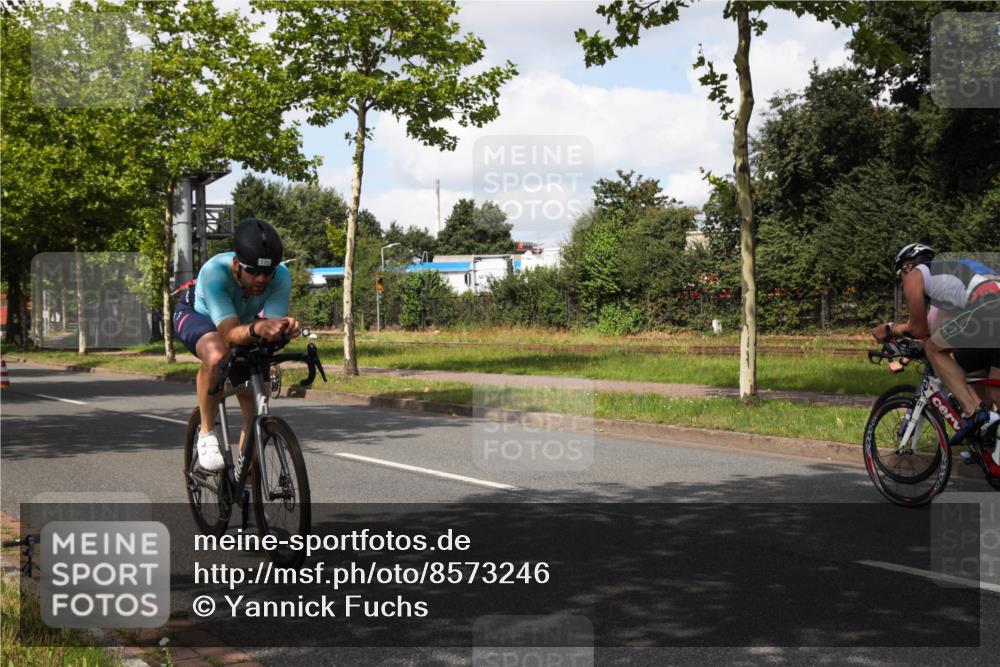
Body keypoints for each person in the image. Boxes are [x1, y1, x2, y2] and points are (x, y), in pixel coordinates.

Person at [172, 219, 300, 471]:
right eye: (253, 271)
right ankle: (207, 434)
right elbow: (229, 334)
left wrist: (284, 331)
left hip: (242, 323)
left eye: (268, 272)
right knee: (217, 354)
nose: (261, 278)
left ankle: (246, 473)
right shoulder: (214, 271)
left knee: (257, 393)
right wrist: (258, 327)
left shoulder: (281, 276)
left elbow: (268, 332)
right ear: (235, 265)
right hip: (199, 316)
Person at [872, 244, 1000, 459]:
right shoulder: (949, 277)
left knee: (934, 350)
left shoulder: (914, 275)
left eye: (899, 274)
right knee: (989, 386)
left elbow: (919, 329)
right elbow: (938, 332)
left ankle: (972, 411)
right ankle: (991, 447)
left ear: (907, 266)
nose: (903, 281)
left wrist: (889, 328)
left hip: (989, 307)